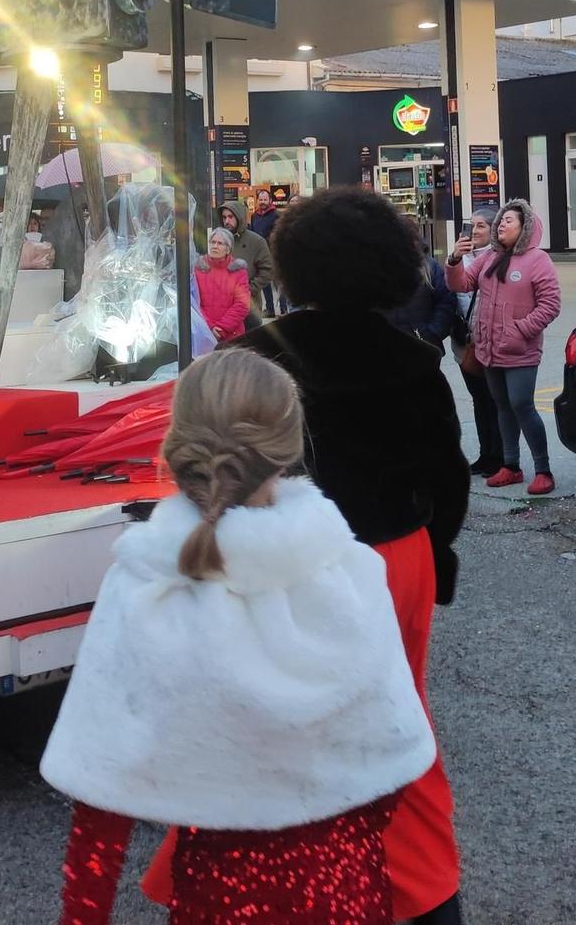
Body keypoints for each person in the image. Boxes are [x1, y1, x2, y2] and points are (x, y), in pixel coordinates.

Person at [41, 349, 436, 923]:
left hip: (217, 899)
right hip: (344, 889)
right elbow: (391, 748)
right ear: (288, 448)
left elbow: (100, 807)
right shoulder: (348, 572)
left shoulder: (144, 586)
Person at [197, 186, 470, 924]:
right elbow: (447, 478)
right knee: (396, 723)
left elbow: (213, 480)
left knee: (280, 727)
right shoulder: (414, 361)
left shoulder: (250, 356)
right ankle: (421, 893)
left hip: (284, 568)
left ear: (293, 264)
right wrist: (434, 551)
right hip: (395, 557)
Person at [449, 198, 561, 496]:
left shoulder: (538, 259)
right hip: (489, 349)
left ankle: (543, 470)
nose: (501, 225)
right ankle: (510, 466)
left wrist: (519, 330)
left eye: (508, 221)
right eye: (500, 221)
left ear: (524, 228)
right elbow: (461, 285)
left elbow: (550, 305)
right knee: (502, 407)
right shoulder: (490, 258)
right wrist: (454, 260)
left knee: (522, 405)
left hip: (519, 350)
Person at [454, 209, 503, 477]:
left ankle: (502, 456)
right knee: (479, 400)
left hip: (490, 342)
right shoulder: (460, 259)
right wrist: (455, 258)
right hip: (466, 343)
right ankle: (486, 455)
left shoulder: (496, 260)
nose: (473, 231)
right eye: (470, 226)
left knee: (495, 401)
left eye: (481, 226)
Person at [385, 216, 457, 351]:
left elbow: (446, 302)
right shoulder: (377, 266)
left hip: (423, 345)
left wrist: (432, 333)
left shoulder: (430, 266)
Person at [192, 227, 252, 344]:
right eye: (212, 242)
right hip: (204, 334)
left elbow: (242, 305)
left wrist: (221, 329)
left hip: (232, 335)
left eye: (220, 243)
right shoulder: (198, 269)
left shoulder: (238, 271)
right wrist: (209, 327)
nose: (215, 246)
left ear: (228, 249)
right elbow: (194, 302)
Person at [218, 199, 273, 323]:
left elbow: (268, 270)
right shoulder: (219, 240)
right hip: (223, 308)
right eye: (224, 217)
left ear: (239, 217)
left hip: (249, 308)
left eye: (230, 217)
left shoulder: (256, 241)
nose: (227, 221)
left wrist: (249, 289)